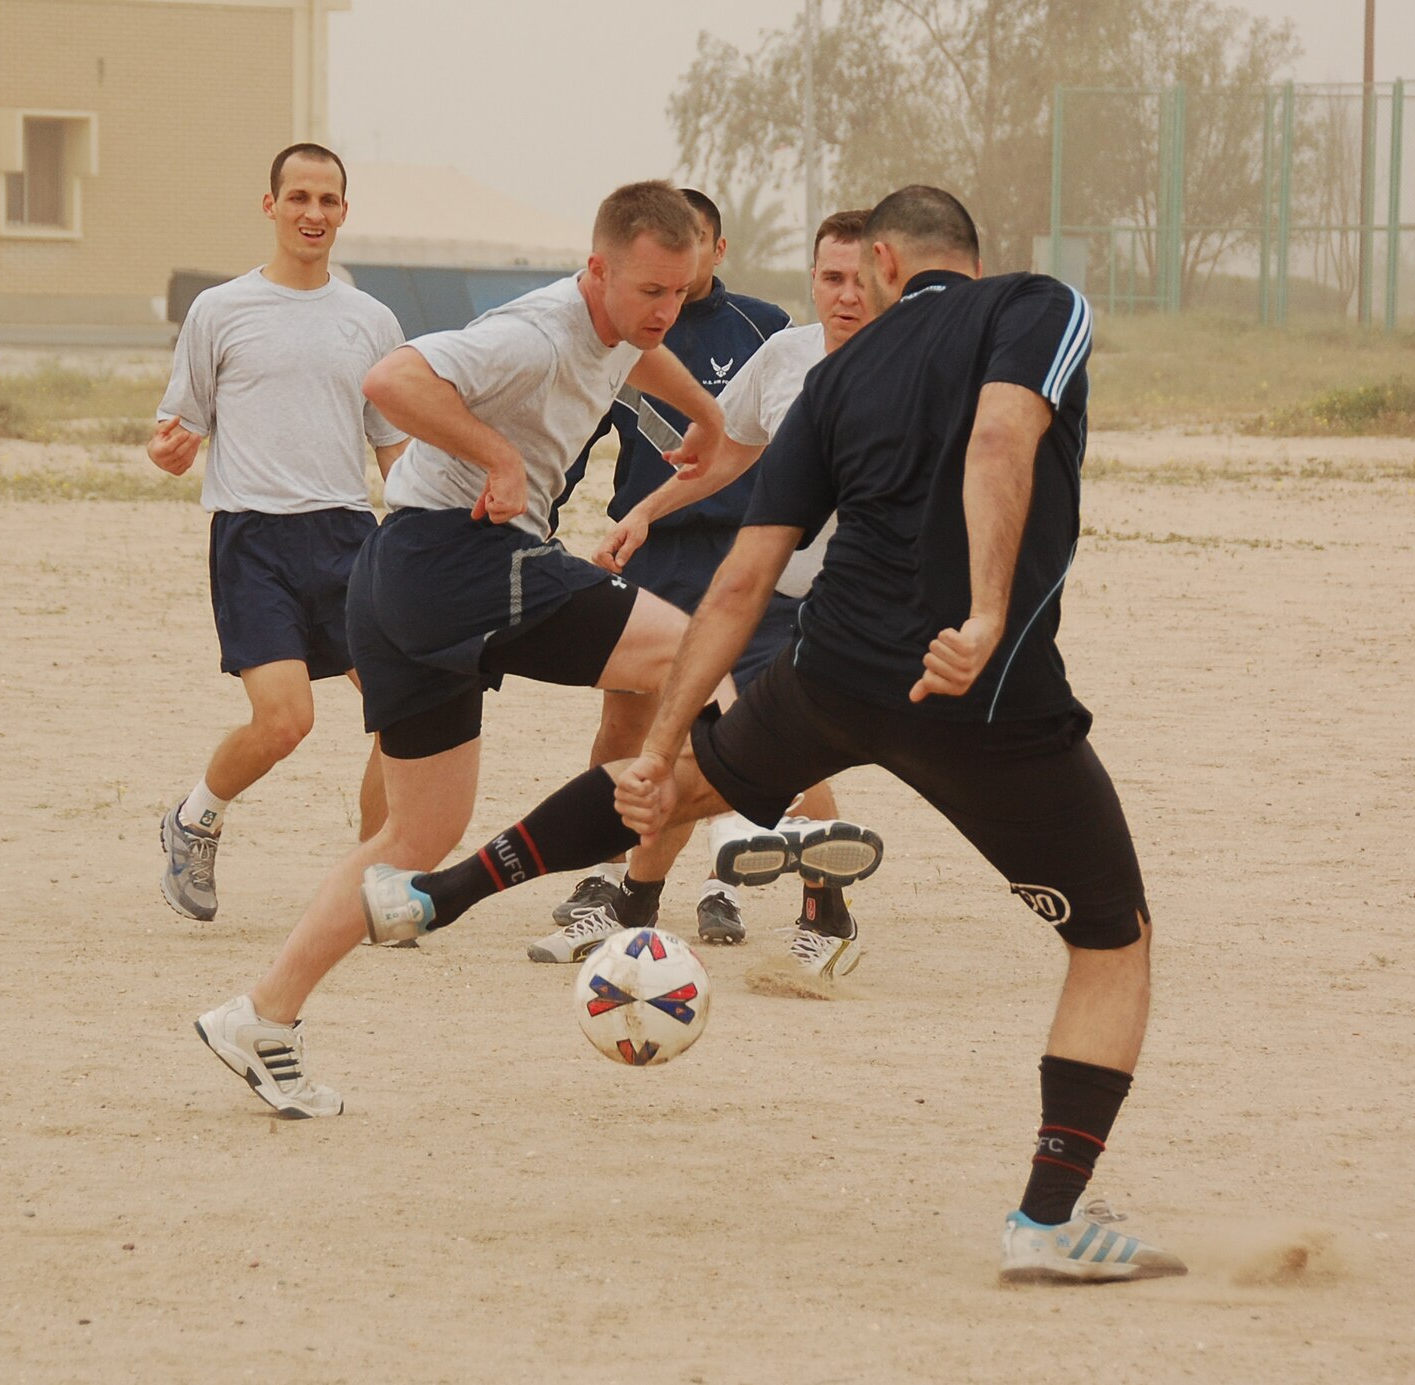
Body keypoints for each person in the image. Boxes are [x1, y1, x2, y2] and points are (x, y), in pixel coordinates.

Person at [357, 185, 1183, 1283]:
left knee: (683, 781)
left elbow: (742, 577)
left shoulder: (835, 378)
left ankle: (442, 891)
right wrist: (984, 612)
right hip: (981, 697)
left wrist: (656, 750)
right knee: (1109, 939)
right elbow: (998, 432)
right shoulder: (1034, 304)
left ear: (883, 264)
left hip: (827, 674)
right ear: (956, 262)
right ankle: (1045, 1218)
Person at [192, 179, 884, 1119]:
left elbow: (633, 356)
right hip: (459, 555)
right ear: (594, 268)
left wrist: (711, 419)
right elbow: (391, 380)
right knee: (689, 647)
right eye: (648, 291)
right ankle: (742, 817)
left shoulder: (620, 324)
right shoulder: (533, 333)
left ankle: (263, 1014)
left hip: (402, 578)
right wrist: (498, 454)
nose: (665, 311)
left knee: (414, 836)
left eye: (679, 294)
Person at [587, 207, 878, 979]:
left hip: (862, 605)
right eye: (830, 278)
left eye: (862, 279)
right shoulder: (784, 354)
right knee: (715, 742)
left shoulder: (925, 364)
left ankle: (809, 898)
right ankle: (649, 904)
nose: (846, 296)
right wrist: (643, 514)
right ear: (812, 279)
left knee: (760, 743)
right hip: (775, 595)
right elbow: (725, 458)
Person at [533, 189, 804, 958]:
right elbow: (576, 438)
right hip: (653, 548)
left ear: (715, 251)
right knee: (627, 722)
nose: (670, 290)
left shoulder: (766, 329)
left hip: (738, 549)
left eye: (696, 251)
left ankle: (726, 877)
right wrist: (540, 514)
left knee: (734, 718)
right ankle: (602, 867)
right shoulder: (620, 331)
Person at [149, 143, 408, 922]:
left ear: (344, 212)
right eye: (298, 197)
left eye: (328, 201)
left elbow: (394, 445)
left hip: (348, 537)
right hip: (253, 539)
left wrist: (435, 520)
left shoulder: (371, 320)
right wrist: (169, 449)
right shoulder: (220, 311)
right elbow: (176, 430)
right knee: (287, 719)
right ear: (271, 206)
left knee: (406, 709)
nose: (313, 214)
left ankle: (374, 883)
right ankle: (195, 818)